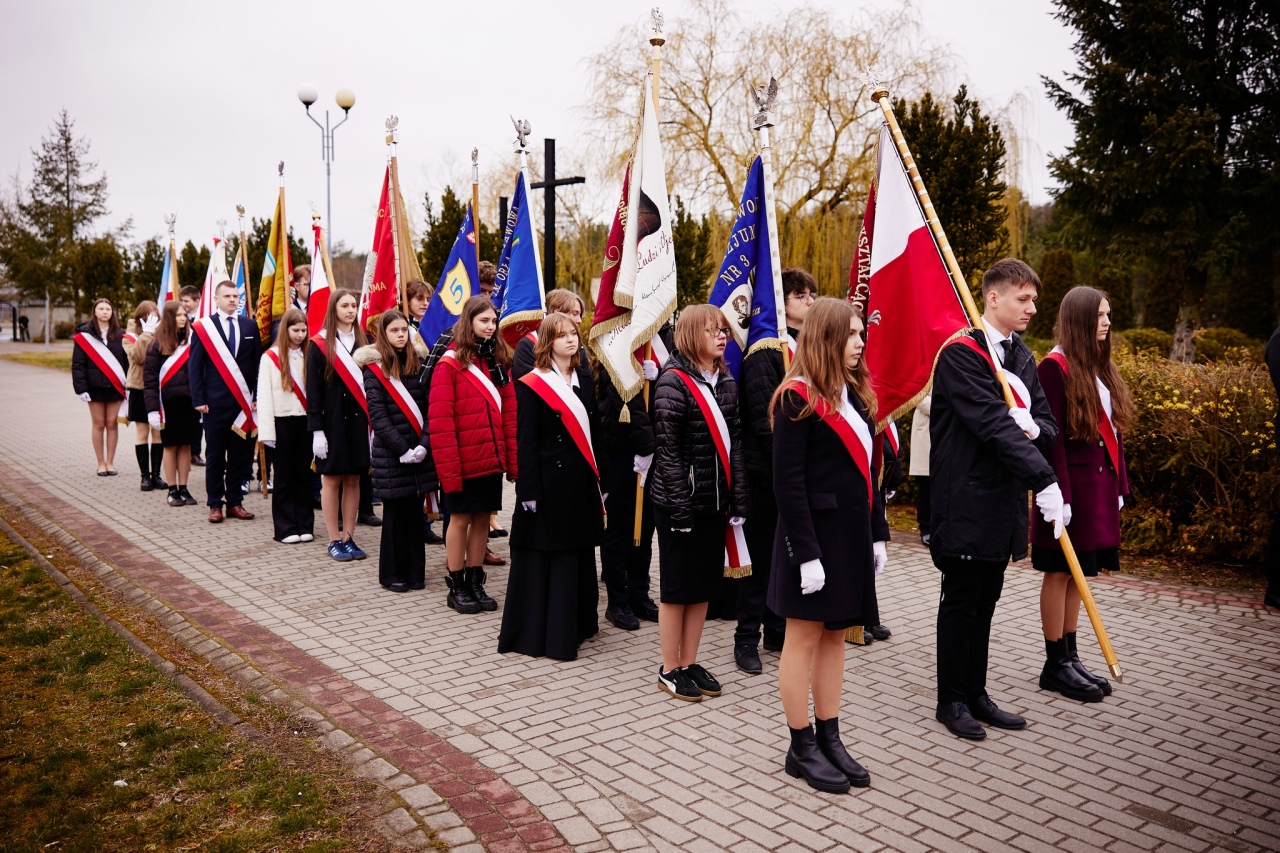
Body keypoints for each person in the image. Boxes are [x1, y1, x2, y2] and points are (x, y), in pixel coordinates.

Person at [929, 258, 1063, 740]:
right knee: (961, 601)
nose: (1031, 308)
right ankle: (952, 700)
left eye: (1033, 300)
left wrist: (1033, 429)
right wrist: (1043, 477)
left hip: (1002, 501)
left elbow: (1046, 425)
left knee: (987, 600)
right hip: (964, 499)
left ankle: (978, 693)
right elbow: (988, 422)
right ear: (993, 297)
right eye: (1023, 299)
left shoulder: (1023, 356)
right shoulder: (963, 353)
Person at [768, 297, 885, 793]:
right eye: (852, 334)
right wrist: (807, 553)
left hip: (849, 538)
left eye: (861, 333)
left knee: (837, 636)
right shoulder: (796, 397)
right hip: (811, 543)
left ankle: (830, 736)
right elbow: (787, 485)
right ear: (826, 338)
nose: (860, 342)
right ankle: (800, 745)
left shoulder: (853, 396)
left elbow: (869, 474)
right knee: (802, 638)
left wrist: (878, 531)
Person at [1032, 286, 1132, 702]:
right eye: (1099, 316)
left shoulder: (1096, 365)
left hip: (1095, 490)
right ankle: (1054, 662)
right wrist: (1060, 495)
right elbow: (1051, 440)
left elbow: (1115, 435)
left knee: (1078, 573)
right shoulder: (1053, 368)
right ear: (1079, 319)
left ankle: (1070, 655)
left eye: (1108, 315)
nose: (1107, 322)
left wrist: (1121, 486)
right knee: (1059, 571)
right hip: (1066, 492)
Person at [650, 304, 749, 702]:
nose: (722, 336)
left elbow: (736, 444)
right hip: (679, 504)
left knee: (703, 587)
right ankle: (670, 668)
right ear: (692, 334)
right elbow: (669, 453)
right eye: (713, 330)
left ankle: (689, 661)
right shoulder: (672, 382)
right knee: (677, 588)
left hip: (714, 502)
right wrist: (681, 507)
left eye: (724, 330)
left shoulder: (725, 380)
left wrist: (738, 496)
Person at [499, 313, 603, 658]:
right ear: (548, 342)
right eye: (562, 336)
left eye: (573, 333)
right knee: (552, 555)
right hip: (549, 482)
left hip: (580, 480)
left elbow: (594, 432)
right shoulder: (533, 382)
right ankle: (551, 634)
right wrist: (527, 489)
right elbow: (525, 438)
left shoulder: (584, 377)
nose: (571, 340)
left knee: (578, 552)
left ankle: (578, 624)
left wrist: (599, 480)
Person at [735, 268, 816, 674]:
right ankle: (746, 638)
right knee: (761, 557)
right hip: (765, 471)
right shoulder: (764, 351)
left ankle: (778, 628)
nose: (810, 300)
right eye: (800, 294)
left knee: (788, 555)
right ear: (779, 301)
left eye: (812, 294)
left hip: (799, 473)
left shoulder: (810, 348)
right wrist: (786, 462)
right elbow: (762, 415)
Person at [429, 295, 518, 614]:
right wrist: (449, 472)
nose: (490, 327)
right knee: (459, 519)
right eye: (484, 321)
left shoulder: (497, 361)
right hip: (462, 462)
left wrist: (512, 460)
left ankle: (476, 581)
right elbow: (441, 421)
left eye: (494, 321)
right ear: (469, 322)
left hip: (490, 461)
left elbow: (510, 413)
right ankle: (456, 584)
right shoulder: (449, 363)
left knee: (482, 520)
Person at [595, 326, 670, 631]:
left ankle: (640, 593)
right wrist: (646, 446)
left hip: (653, 451)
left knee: (646, 526)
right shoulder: (617, 340)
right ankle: (618, 600)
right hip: (623, 451)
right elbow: (625, 400)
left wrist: (660, 374)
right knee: (619, 529)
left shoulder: (662, 338)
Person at [359, 310, 432, 592]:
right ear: (384, 335)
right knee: (395, 518)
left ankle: (415, 573)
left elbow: (428, 409)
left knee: (416, 516)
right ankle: (392, 574)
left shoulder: (419, 363)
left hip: (420, 453)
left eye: (404, 330)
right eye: (394, 331)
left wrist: (424, 445)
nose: (401, 335)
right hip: (392, 455)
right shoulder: (374, 369)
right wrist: (403, 449)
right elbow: (377, 416)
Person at [307, 288, 371, 561]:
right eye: (344, 305)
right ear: (333, 309)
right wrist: (317, 431)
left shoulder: (365, 341)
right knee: (331, 480)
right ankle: (334, 538)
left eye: (354, 305)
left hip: (358, 422)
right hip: (331, 422)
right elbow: (313, 390)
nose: (350, 310)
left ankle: (349, 537)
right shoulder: (318, 344)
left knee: (354, 478)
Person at [190, 280, 261, 523]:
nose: (233, 300)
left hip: (243, 404)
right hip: (214, 403)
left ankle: (234, 503)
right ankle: (214, 504)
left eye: (235, 296)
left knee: (240, 456)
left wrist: (257, 396)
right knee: (216, 455)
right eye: (227, 296)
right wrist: (199, 399)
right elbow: (195, 366)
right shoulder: (203, 328)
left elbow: (257, 364)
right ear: (216, 299)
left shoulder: (250, 325)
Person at [257, 308, 315, 544]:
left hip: (305, 422)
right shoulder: (270, 357)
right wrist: (267, 432)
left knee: (304, 475)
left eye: (304, 330)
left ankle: (304, 524)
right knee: (283, 476)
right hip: (282, 422)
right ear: (286, 330)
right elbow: (264, 397)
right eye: (296, 330)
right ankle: (285, 527)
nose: (300, 335)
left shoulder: (309, 354)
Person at [143, 300, 199, 507]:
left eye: (185, 314)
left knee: (186, 446)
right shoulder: (156, 345)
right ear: (168, 318)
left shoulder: (192, 342)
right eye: (178, 315)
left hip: (190, 403)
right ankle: (172, 490)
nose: (183, 318)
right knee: (170, 446)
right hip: (167, 405)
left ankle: (184, 488)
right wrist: (151, 411)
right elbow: (149, 381)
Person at [71, 297, 129, 476]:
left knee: (112, 424)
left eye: (108, 309)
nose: (105, 312)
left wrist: (128, 385)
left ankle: (110, 462)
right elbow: (78, 365)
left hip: (115, 387)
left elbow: (127, 363)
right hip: (94, 387)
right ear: (94, 312)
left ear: (112, 313)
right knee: (98, 424)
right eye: (101, 309)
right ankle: (100, 463)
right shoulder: (84, 337)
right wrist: (81, 389)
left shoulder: (121, 335)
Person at [125, 300, 165, 491]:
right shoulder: (130, 337)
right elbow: (139, 357)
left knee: (158, 433)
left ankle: (156, 475)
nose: (153, 321)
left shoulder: (163, 334)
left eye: (155, 317)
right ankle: (145, 476)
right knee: (143, 433)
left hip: (158, 389)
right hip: (139, 388)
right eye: (149, 317)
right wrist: (147, 333)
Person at [178, 285, 205, 466]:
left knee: (199, 419)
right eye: (182, 301)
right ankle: (186, 452)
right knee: (187, 416)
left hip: (200, 373)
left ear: (197, 301)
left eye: (187, 301)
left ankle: (196, 452)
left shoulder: (204, 319)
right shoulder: (179, 321)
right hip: (181, 373)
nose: (184, 305)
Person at [910, 395, 933, 546]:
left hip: (948, 431)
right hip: (927, 430)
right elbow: (916, 395)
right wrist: (944, 405)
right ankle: (926, 528)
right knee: (926, 486)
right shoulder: (923, 370)